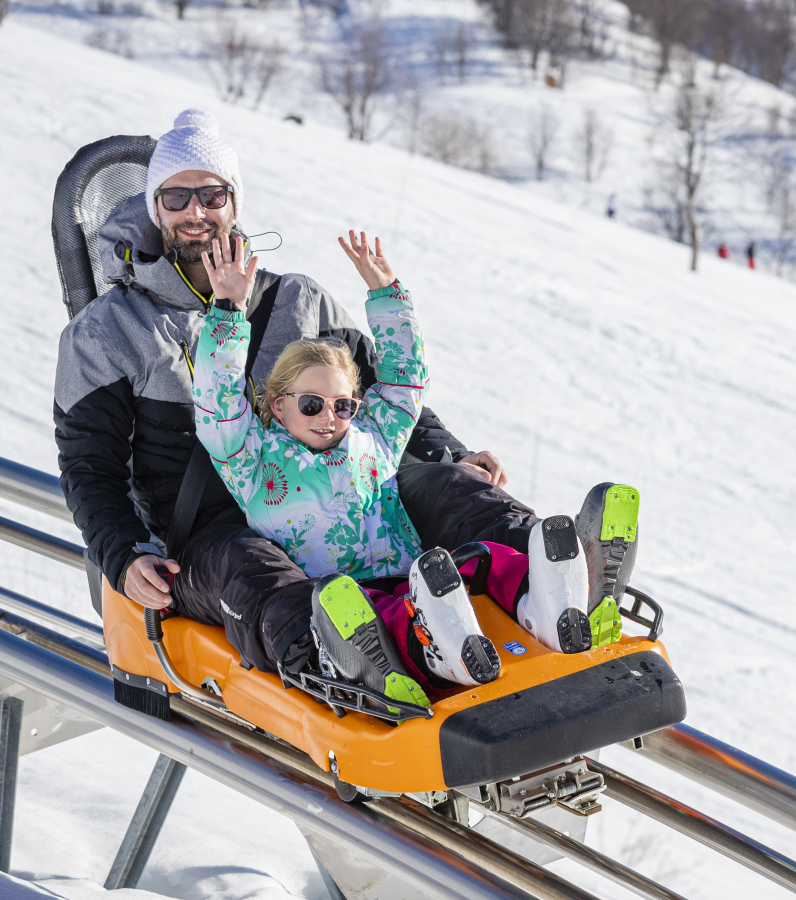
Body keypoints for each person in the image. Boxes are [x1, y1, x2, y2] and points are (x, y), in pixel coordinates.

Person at [56, 110, 517, 680]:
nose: (195, 213)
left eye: (211, 195)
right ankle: (344, 666)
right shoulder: (109, 332)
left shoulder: (299, 302)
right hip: (208, 537)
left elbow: (383, 394)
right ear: (155, 209)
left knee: (448, 486)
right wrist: (122, 554)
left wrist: (449, 454)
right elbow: (88, 465)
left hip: (336, 502)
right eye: (175, 198)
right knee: (251, 566)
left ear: (234, 202)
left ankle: (548, 577)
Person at [191, 229, 636, 706]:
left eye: (343, 406)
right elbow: (217, 402)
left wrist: (387, 296)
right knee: (395, 618)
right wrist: (228, 310)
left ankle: (553, 604)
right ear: (278, 407)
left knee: (488, 558)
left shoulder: (373, 439)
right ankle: (443, 656)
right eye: (312, 404)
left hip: (420, 577)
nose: (329, 417)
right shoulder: (252, 462)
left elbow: (405, 382)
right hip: (350, 606)